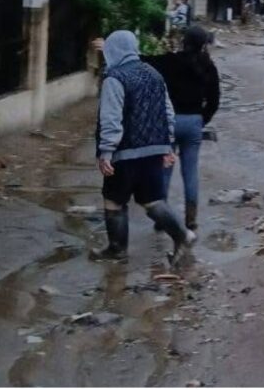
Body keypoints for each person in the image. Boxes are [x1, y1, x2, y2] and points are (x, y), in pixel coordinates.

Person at [94, 28, 192, 262]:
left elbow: (111, 118)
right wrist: (167, 145)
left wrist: (106, 151)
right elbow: (168, 112)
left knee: (114, 200)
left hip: (124, 152)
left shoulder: (114, 78)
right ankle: (183, 235)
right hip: (154, 150)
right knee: (152, 200)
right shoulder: (154, 73)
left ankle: (117, 250)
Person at [151, 25, 222, 230]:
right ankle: (191, 219)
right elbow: (214, 101)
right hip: (193, 123)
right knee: (190, 172)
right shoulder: (209, 66)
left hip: (169, 121)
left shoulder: (170, 61)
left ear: (184, 41)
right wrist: (202, 119)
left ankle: (161, 219)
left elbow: (144, 60)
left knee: (164, 169)